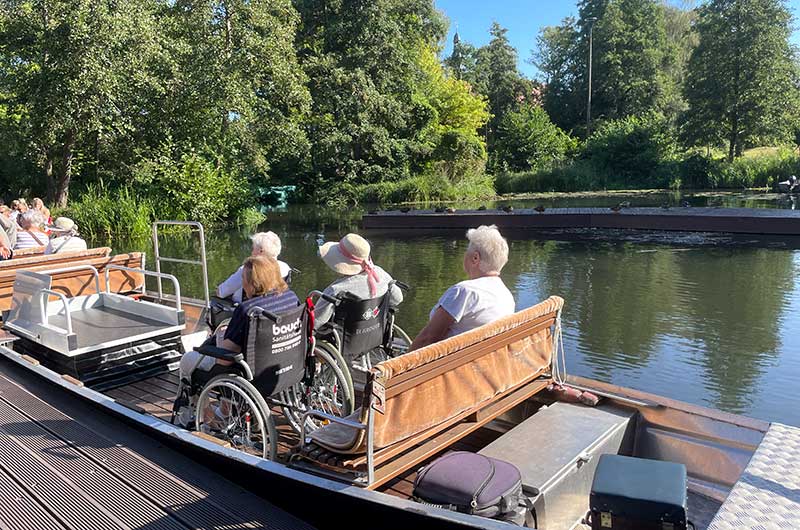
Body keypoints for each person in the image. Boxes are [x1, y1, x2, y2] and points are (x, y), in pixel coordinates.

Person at [175, 256, 300, 427]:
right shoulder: (291, 298)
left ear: (253, 282)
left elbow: (223, 359)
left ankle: (201, 416)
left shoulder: (247, 310)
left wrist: (221, 337)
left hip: (249, 373)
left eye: (244, 279)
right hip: (285, 365)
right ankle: (225, 410)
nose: (242, 283)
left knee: (187, 360)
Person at [409, 225, 515, 351]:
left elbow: (428, 338)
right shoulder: (507, 297)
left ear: (475, 258)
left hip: (450, 367)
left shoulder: (464, 292)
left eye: (466, 251)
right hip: (483, 364)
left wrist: (397, 368)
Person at [314, 233, 403, 329]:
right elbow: (397, 299)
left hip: (345, 339)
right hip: (376, 334)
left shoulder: (336, 290)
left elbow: (315, 322)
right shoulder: (382, 275)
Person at [216, 231, 291, 304]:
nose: (251, 252)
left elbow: (222, 292)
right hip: (273, 305)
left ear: (261, 251)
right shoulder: (285, 267)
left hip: (247, 309)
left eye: (253, 249)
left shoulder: (249, 270)